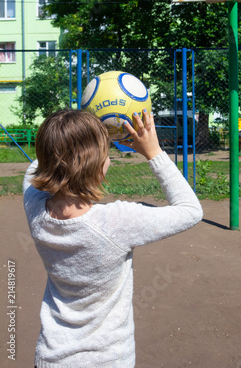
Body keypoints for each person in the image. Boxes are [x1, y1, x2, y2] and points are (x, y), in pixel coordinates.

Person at [23, 108, 203, 368]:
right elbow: (190, 210)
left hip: (52, 357)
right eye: (106, 153)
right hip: (107, 360)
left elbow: (35, 169)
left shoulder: (34, 206)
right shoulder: (117, 222)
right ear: (97, 165)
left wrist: (70, 126)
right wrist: (153, 151)